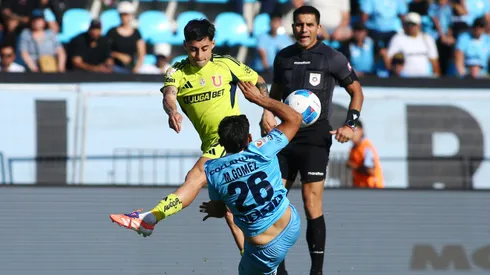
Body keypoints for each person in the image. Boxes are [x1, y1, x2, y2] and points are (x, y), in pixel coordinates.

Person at [109, 19, 275, 254]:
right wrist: (173, 111)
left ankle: (150, 218)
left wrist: (267, 110)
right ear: (185, 46)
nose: (199, 55)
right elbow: (169, 95)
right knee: (229, 210)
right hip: (213, 144)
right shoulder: (177, 72)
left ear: (213, 44)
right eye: (193, 49)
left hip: (231, 142)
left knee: (195, 178)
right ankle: (253, 260)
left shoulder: (227, 65)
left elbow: (258, 81)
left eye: (205, 48)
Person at [260, 6, 365, 275]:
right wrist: (267, 113)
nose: (303, 30)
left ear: (318, 28)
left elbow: (356, 92)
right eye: (299, 25)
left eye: (309, 25)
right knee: (275, 202)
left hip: (316, 137)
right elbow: (276, 92)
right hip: (286, 135)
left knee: (310, 201)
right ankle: (278, 269)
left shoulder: (332, 58)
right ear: (292, 27)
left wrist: (350, 125)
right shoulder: (283, 57)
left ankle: (316, 271)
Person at [200, 80, 303, 275]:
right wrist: (260, 99)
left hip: (264, 248)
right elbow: (295, 118)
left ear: (221, 142)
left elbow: (222, 210)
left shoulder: (213, 170)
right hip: (291, 224)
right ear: (248, 138)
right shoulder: (262, 148)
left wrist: (214, 209)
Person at [346, 120, 384, 188]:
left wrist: (353, 166)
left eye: (354, 130)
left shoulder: (366, 147)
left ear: (361, 130)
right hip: (360, 188)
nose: (352, 134)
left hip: (372, 188)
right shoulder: (353, 148)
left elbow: (370, 170)